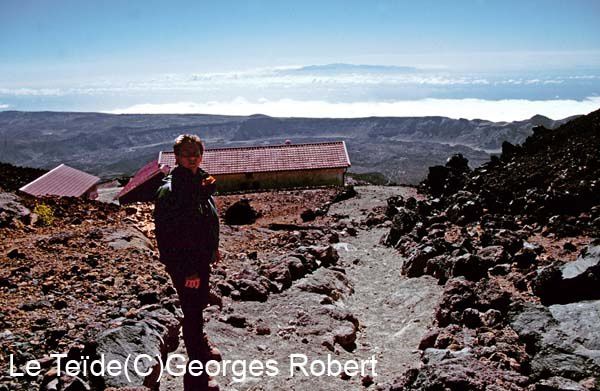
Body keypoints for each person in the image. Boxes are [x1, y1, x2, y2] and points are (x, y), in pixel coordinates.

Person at [154, 134, 220, 390]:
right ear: (177, 157)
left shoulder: (200, 180)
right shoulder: (173, 190)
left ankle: (200, 343)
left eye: (196, 152)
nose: (192, 157)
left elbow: (205, 220)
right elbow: (176, 235)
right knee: (192, 311)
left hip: (200, 259)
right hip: (186, 264)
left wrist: (213, 248)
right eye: (187, 153)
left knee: (198, 304)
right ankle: (197, 377)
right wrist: (190, 269)